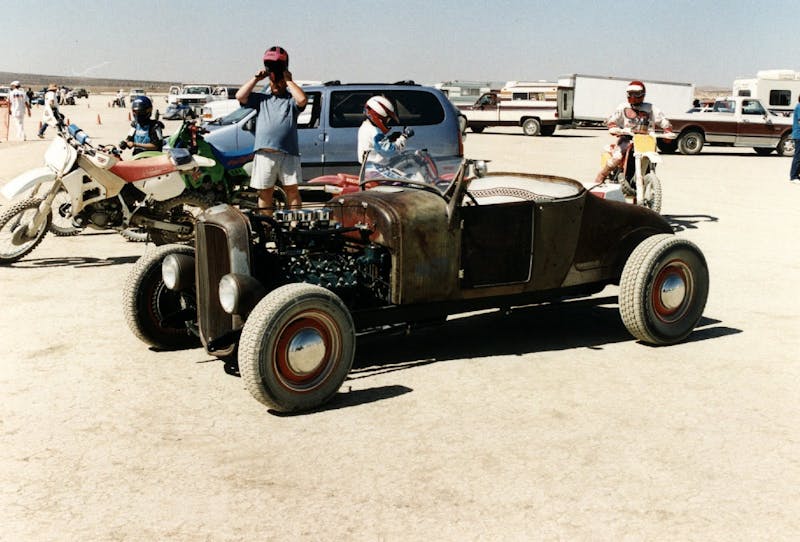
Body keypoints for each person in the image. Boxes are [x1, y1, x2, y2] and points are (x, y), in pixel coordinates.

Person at [235, 45, 307, 214]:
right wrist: (256, 79)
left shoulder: (290, 101)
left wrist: (289, 80)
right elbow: (240, 96)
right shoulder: (262, 99)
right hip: (265, 154)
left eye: (279, 81)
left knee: (292, 191)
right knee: (265, 192)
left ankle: (294, 223)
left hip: (288, 153)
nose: (276, 84)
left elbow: (302, 100)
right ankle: (267, 224)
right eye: (273, 81)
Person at [594, 80, 673, 183]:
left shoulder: (650, 108)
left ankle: (647, 180)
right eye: (631, 93)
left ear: (643, 94)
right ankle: (602, 174)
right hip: (627, 138)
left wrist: (667, 131)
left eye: (637, 93)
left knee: (652, 157)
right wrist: (613, 127)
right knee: (617, 156)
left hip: (647, 139)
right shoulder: (623, 107)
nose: (633, 96)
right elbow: (612, 119)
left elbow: (663, 120)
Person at [357, 95, 411, 164]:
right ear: (378, 117)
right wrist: (404, 137)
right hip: (377, 167)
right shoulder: (375, 132)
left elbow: (376, 144)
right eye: (387, 119)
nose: (388, 121)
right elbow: (390, 151)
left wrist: (390, 138)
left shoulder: (366, 126)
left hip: (368, 164)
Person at [790, 95, 800, 185]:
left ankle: (797, 175)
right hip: (799, 135)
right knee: (798, 156)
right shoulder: (799, 106)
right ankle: (794, 176)